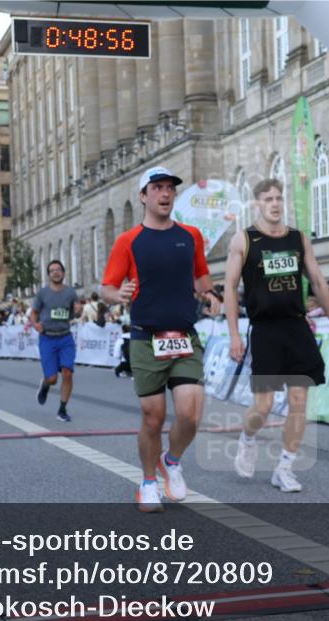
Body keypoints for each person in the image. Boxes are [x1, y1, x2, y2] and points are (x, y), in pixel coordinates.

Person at [101, 165, 221, 512]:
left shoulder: (191, 236)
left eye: (170, 188)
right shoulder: (128, 241)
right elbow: (107, 287)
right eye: (157, 188)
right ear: (143, 196)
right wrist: (117, 294)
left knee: (190, 413)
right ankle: (148, 483)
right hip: (146, 337)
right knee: (153, 418)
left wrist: (210, 294)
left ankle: (171, 461)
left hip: (184, 335)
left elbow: (200, 275)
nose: (165, 194)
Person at [225, 178, 329, 492]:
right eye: (268, 199)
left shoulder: (297, 239)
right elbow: (228, 289)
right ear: (257, 204)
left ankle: (284, 468)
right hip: (264, 329)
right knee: (263, 406)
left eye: (279, 198)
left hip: (296, 326)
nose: (275, 204)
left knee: (298, 402)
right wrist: (234, 335)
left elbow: (319, 283)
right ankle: (247, 437)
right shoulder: (244, 240)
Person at [29, 259, 81, 422]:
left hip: (65, 337)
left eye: (58, 270)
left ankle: (62, 409)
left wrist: (79, 311)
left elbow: (76, 311)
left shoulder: (71, 292)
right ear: (49, 275)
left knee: (67, 373)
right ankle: (45, 384)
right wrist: (35, 324)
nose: (56, 272)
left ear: (64, 273)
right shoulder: (43, 293)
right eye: (52, 271)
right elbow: (34, 313)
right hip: (47, 338)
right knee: (53, 379)